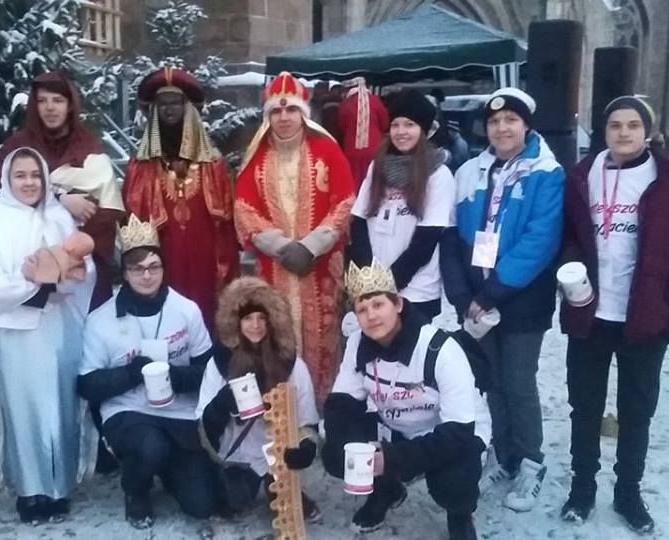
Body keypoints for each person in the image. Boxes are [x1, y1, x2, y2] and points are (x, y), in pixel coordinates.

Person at [558, 96, 669, 533]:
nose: (623, 132)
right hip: (590, 314)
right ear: (603, 131)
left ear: (647, 131)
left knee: (636, 412)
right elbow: (567, 237)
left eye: (633, 125)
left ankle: (628, 494)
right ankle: (582, 489)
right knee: (584, 408)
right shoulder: (582, 176)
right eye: (615, 125)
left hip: (645, 318)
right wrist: (570, 270)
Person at [439, 87, 564, 513]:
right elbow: (451, 235)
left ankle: (530, 461)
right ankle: (503, 452)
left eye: (511, 120)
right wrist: (462, 294)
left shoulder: (547, 172)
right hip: (475, 299)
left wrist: (493, 291)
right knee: (491, 379)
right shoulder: (469, 172)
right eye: (494, 121)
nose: (502, 128)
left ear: (526, 125)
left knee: (519, 382)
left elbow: (541, 239)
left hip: (521, 298)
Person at [321, 260, 491, 539]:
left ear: (398, 304)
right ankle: (386, 490)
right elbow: (341, 403)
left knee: (453, 481)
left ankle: (460, 514)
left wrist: (391, 459)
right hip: (397, 426)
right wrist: (344, 446)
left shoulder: (441, 349)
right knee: (335, 452)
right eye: (362, 309)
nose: (371, 316)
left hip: (450, 432)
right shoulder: (357, 343)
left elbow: (457, 434)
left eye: (378, 304)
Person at [0, 147, 97, 524]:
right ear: (7, 180)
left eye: (35, 175)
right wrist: (36, 289)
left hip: (59, 327)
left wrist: (63, 276)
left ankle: (59, 488)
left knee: (58, 405)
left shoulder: (58, 215)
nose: (29, 183)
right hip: (14, 332)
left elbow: (86, 268)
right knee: (23, 410)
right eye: (20, 175)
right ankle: (31, 490)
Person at [78, 214, 218, 529]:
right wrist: (131, 374)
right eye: (137, 268)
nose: (146, 275)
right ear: (125, 273)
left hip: (179, 412)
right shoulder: (101, 320)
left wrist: (176, 377)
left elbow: (209, 371)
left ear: (163, 268)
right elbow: (86, 385)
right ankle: (136, 491)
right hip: (129, 411)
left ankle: (168, 469)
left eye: (154, 267)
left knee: (202, 505)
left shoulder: (186, 310)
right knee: (150, 446)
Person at [234, 71, 356, 404]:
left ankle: (322, 406)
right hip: (275, 268)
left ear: (304, 113)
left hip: (320, 268)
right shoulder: (257, 157)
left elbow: (345, 202)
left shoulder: (327, 150)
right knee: (277, 334)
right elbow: (244, 209)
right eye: (276, 110)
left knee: (323, 337)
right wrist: (283, 247)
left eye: (291, 110)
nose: (284, 117)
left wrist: (311, 247)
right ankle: (283, 408)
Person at [0, 71, 124, 310]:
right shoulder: (17, 147)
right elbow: (1, 196)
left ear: (70, 105)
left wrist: (70, 252)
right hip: (28, 264)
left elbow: (106, 209)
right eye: (42, 101)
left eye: (58, 100)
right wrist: (59, 200)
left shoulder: (89, 146)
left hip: (81, 267)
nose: (50, 108)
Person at [196, 276, 321, 521]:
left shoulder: (291, 363)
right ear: (236, 322)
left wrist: (306, 447)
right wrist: (222, 403)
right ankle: (238, 480)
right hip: (236, 453)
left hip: (278, 453)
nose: (256, 325)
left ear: (272, 321)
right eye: (248, 318)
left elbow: (307, 417)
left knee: (287, 506)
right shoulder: (219, 363)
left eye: (262, 318)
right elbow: (202, 423)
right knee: (232, 500)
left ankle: (282, 485)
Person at [123, 67, 238, 330]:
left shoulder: (213, 164)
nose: (169, 109)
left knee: (207, 319)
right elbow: (130, 221)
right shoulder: (140, 167)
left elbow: (228, 226)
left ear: (188, 109)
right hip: (162, 260)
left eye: (175, 102)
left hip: (206, 262)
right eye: (162, 104)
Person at [349, 89, 456, 322]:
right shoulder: (377, 167)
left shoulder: (438, 175)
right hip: (375, 285)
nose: (401, 132)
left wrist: (389, 284)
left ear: (424, 130)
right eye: (395, 125)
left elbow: (426, 239)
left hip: (416, 290)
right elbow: (359, 222)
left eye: (409, 125)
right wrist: (369, 277)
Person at [338, 77, 390, 187]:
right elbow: (385, 123)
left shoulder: (345, 104)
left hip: (352, 148)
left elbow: (342, 127)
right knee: (373, 180)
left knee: (354, 181)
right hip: (375, 147)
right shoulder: (375, 101)